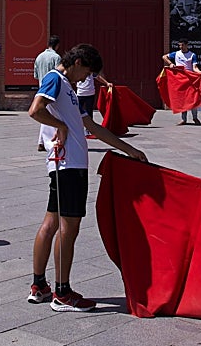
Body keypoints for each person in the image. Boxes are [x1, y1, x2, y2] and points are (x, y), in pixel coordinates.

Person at [27, 44, 147, 311]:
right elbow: (35, 110)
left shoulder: (67, 87)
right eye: (86, 72)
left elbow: (91, 126)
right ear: (77, 61)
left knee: (52, 223)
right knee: (69, 228)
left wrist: (129, 149)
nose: (86, 79)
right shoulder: (56, 80)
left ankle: (40, 286)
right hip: (68, 164)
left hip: (69, 164)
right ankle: (63, 292)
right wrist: (59, 126)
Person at [162, 40, 201, 124]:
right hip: (180, 78)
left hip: (190, 78)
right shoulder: (176, 54)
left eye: (182, 45)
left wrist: (200, 73)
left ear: (187, 45)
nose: (181, 47)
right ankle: (183, 119)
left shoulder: (192, 55)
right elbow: (164, 56)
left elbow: (194, 67)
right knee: (182, 98)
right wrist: (170, 64)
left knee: (193, 97)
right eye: (179, 45)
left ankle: (195, 118)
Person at [34, 36, 64, 151]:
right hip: (52, 89)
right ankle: (48, 141)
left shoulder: (39, 57)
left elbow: (36, 75)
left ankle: (41, 141)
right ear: (57, 45)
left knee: (44, 114)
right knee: (51, 115)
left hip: (41, 88)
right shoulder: (56, 57)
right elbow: (59, 74)